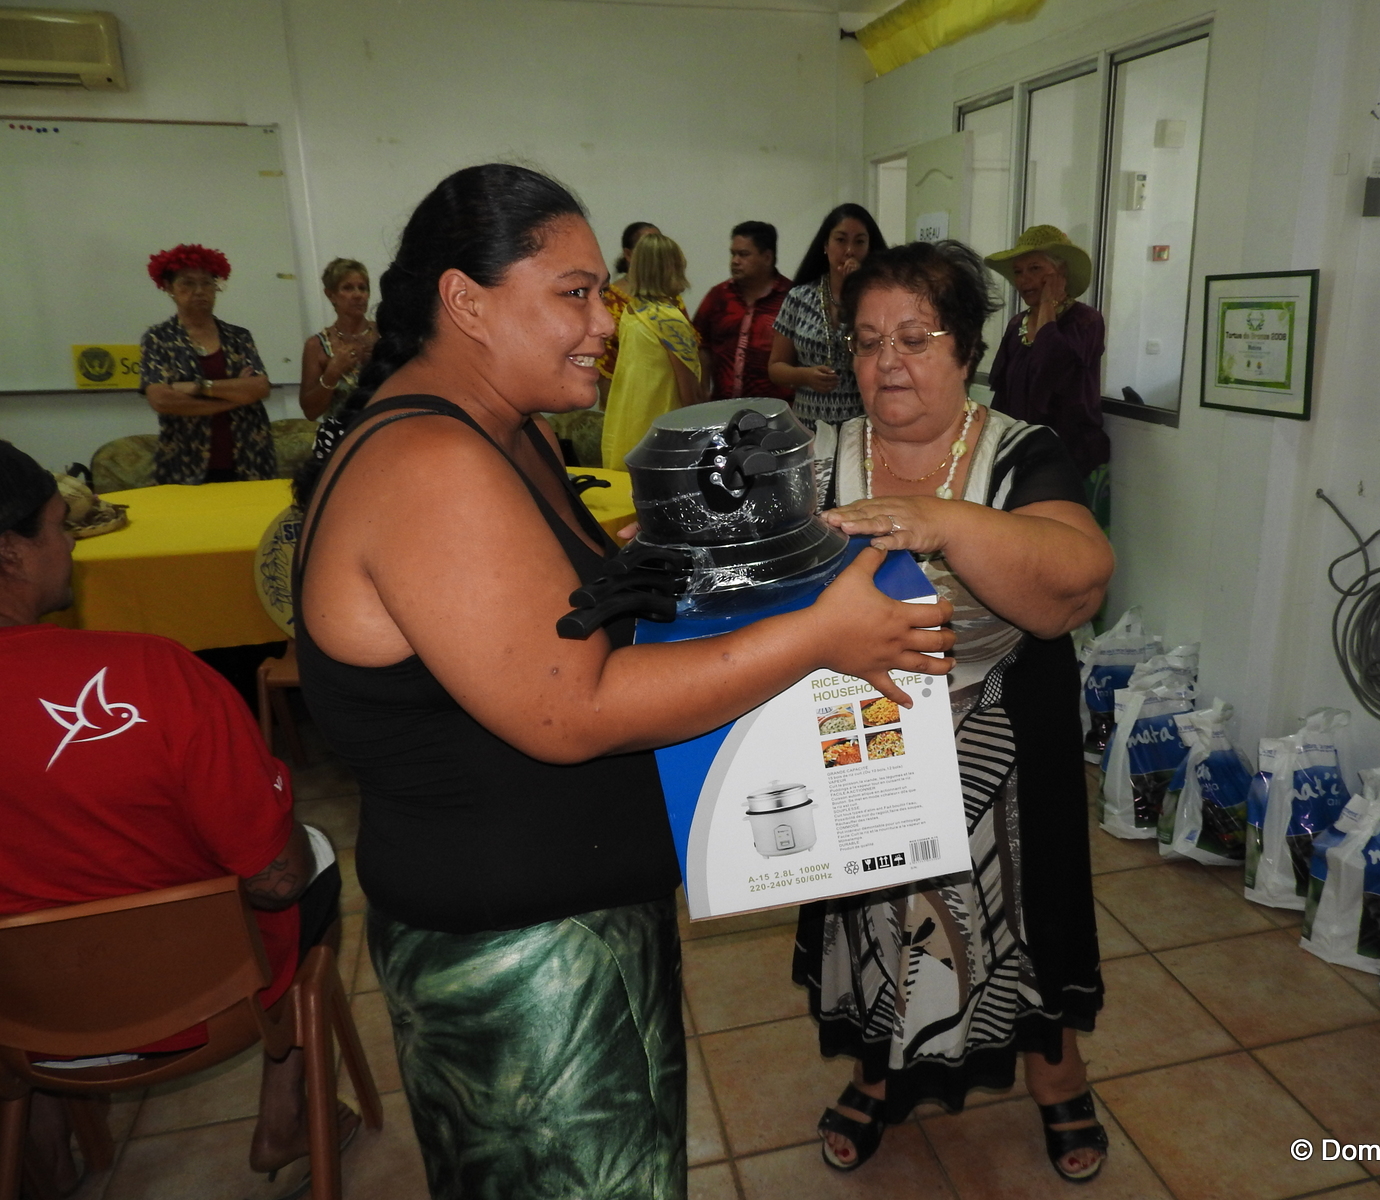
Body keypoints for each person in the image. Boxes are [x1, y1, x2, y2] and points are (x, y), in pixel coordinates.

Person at [291, 164, 953, 1200]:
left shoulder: (502, 429)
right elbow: (571, 708)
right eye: (575, 293)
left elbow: (546, 604)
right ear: (466, 301)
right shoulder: (432, 463)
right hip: (524, 951)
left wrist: (665, 545)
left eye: (601, 292)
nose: (606, 322)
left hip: (572, 916)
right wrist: (821, 637)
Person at [792, 240, 1117, 1183]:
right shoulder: (816, 457)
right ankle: (875, 1070)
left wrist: (944, 521)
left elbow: (1080, 583)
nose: (888, 361)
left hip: (998, 745)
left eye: (915, 338)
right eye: (867, 341)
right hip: (864, 743)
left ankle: (1056, 1075)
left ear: (966, 352)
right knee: (873, 916)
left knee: (1021, 919)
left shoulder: (1021, 451)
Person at [0, 440, 352, 1198]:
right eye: (60, 526)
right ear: (11, 553)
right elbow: (277, 880)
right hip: (199, 1007)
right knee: (314, 858)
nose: (71, 546)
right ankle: (285, 1116)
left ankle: (41, 1152)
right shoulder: (150, 672)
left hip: (21, 1025)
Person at [984, 226, 1111, 528]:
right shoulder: (1017, 324)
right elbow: (1002, 393)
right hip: (1021, 455)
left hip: (1072, 456)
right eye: (1018, 272)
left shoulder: (1086, 321)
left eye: (1035, 269)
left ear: (1060, 273)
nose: (1024, 280)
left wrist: (1048, 308)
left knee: (1069, 542)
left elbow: (1052, 371)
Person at [140, 244, 275, 485]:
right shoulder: (158, 338)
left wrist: (198, 387)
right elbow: (162, 400)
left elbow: (260, 387)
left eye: (207, 283)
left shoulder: (239, 337)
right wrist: (235, 398)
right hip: (185, 462)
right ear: (169, 287)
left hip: (249, 457)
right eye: (188, 283)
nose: (199, 291)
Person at [769, 204, 888, 427]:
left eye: (859, 242)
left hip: (860, 423)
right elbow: (776, 368)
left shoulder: (879, 300)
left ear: (870, 249)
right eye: (841, 240)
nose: (849, 250)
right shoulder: (799, 297)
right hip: (808, 423)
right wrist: (805, 376)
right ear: (826, 245)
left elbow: (883, 360)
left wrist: (858, 289)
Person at [600, 232, 705, 469]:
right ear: (672, 268)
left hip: (628, 427)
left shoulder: (631, 311)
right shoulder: (669, 320)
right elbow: (689, 396)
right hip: (662, 436)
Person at [692, 221, 793, 401]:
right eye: (733, 254)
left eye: (743, 254)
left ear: (767, 257)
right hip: (722, 408)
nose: (735, 261)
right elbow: (699, 343)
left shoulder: (792, 299)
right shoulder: (719, 296)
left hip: (774, 411)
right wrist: (702, 387)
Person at [299, 257, 377, 421]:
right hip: (342, 432)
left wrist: (381, 358)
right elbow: (310, 412)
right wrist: (332, 372)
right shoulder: (317, 345)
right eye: (347, 288)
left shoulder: (384, 334)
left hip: (384, 428)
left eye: (362, 288)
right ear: (331, 295)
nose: (358, 295)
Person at [596, 220, 660, 388]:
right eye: (647, 249)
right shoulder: (609, 300)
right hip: (627, 394)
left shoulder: (672, 298)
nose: (656, 256)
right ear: (628, 254)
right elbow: (604, 364)